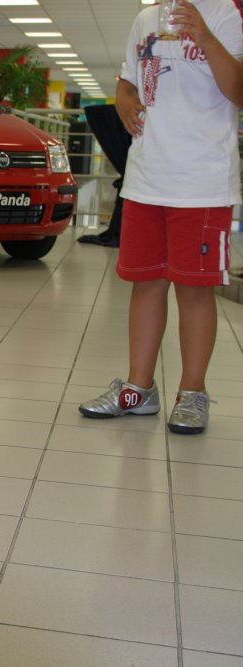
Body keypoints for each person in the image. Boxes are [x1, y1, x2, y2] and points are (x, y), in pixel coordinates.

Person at [79, 0, 243, 435]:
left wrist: (204, 36)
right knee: (145, 282)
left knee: (194, 289)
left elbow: (239, 91)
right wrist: (126, 103)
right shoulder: (145, 18)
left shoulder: (226, 14)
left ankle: (193, 392)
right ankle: (139, 388)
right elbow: (125, 86)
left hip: (201, 181)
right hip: (146, 178)